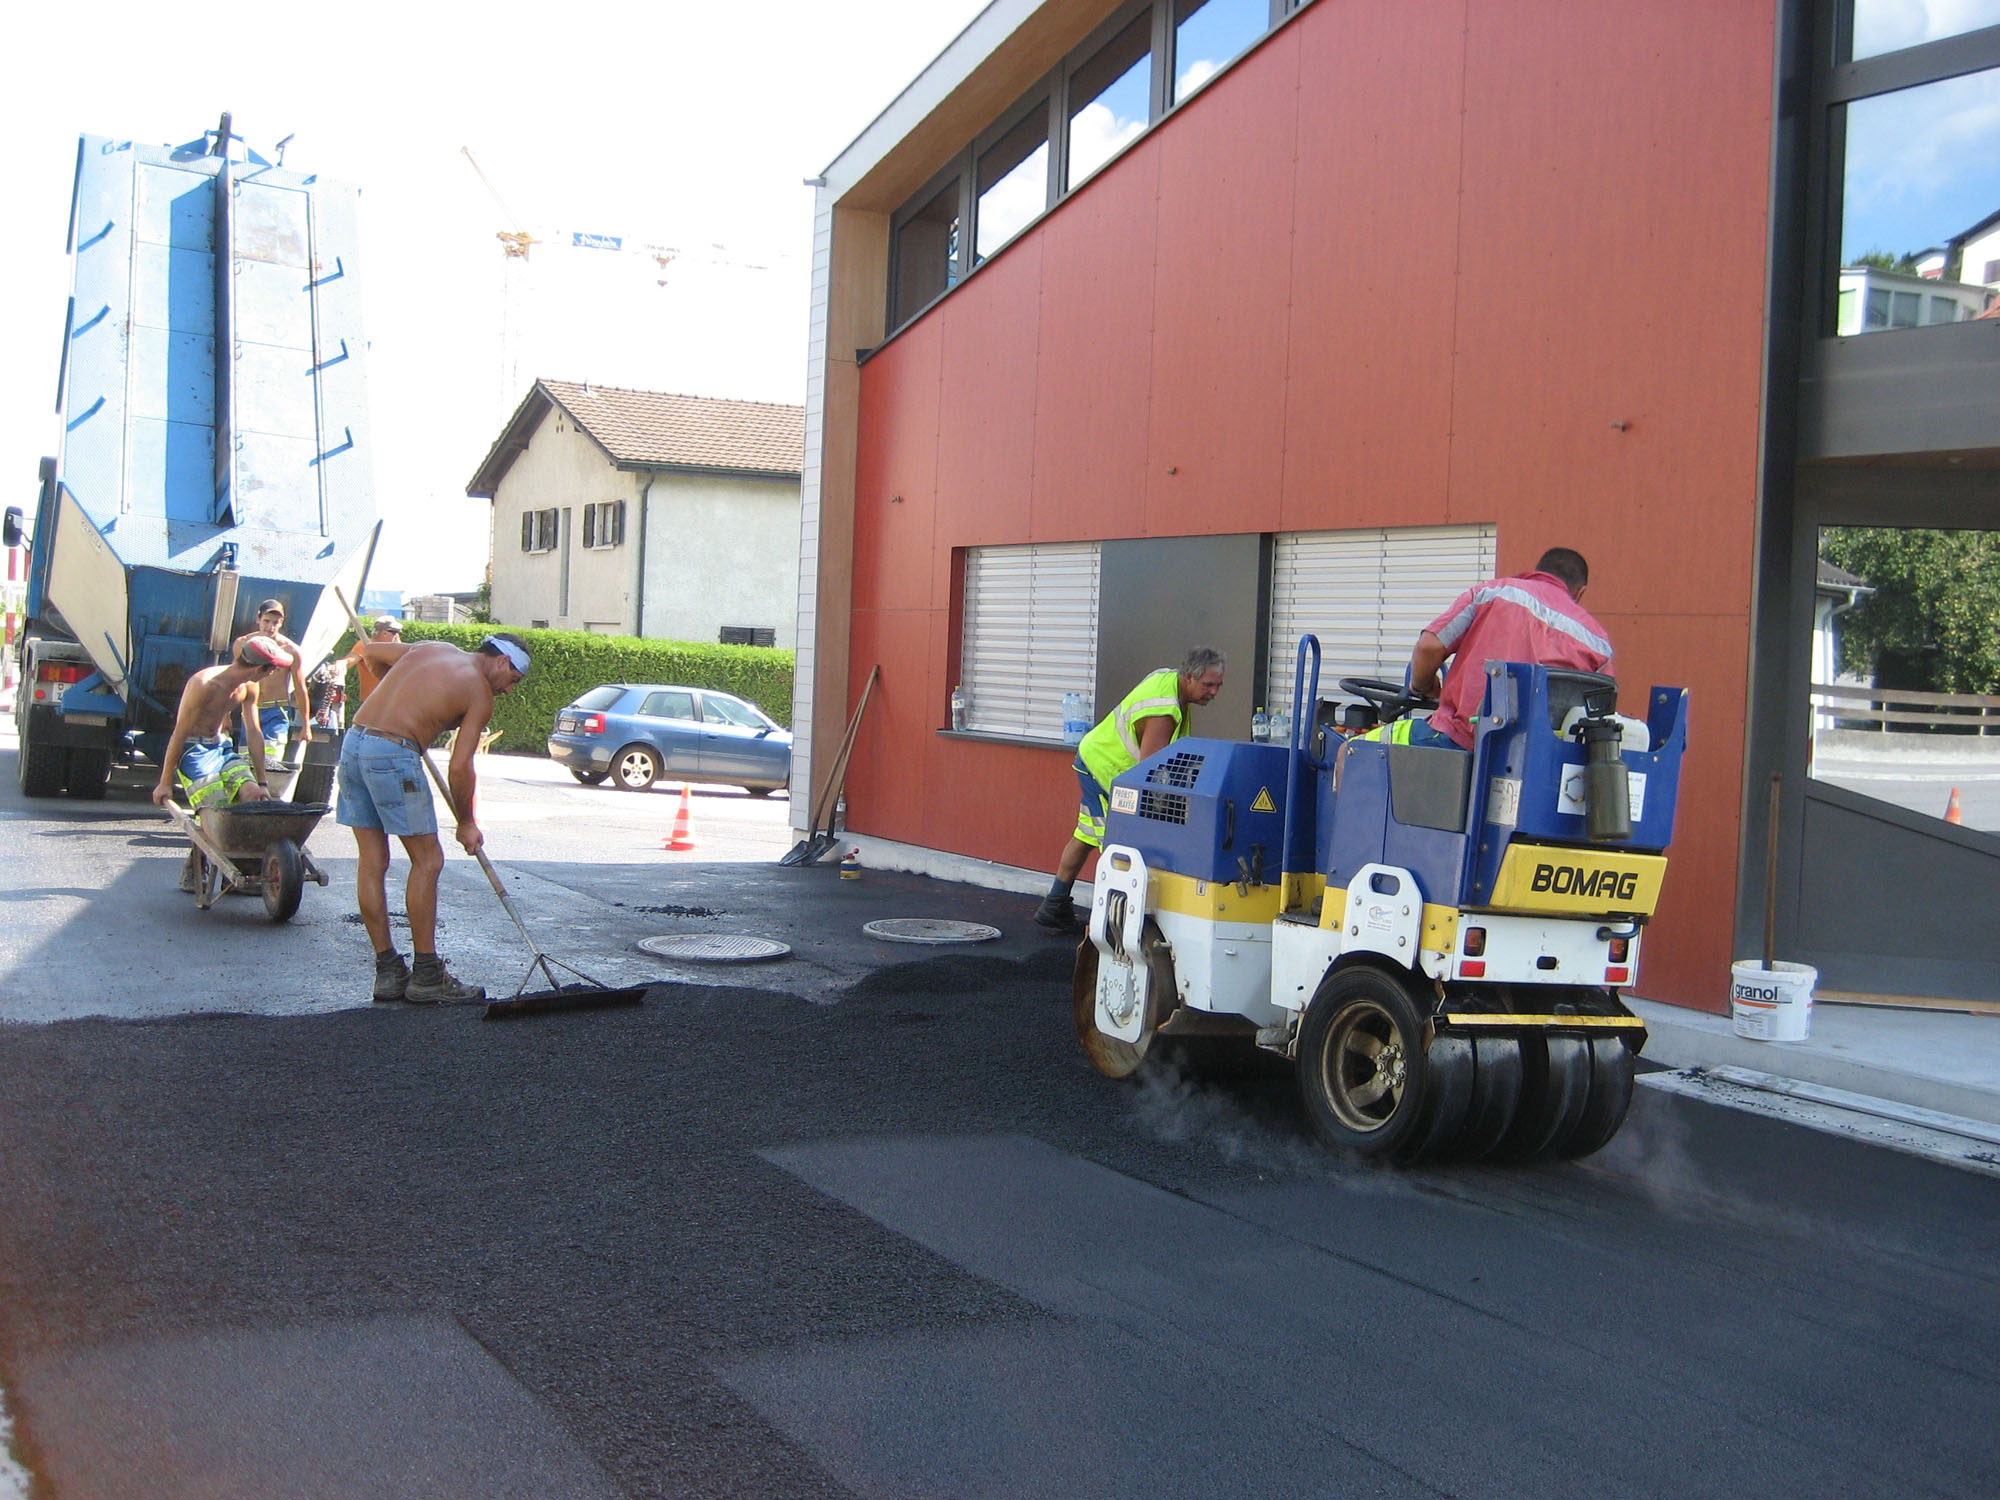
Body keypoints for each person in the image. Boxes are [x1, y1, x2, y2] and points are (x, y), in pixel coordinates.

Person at [338, 632, 530, 1004]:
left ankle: (389, 972)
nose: (508, 690)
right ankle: (426, 975)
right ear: (503, 661)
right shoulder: (479, 692)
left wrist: (396, 696)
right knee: (428, 860)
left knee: (372, 860)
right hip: (392, 753)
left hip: (355, 742)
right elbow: (461, 767)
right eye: (514, 681)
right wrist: (466, 822)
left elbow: (370, 652)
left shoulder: (434, 649)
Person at [1033, 648, 1226, 933]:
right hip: (1105, 769)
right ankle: (1111, 924)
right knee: (1119, 846)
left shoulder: (1168, 680)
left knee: (1086, 834)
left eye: (1218, 685)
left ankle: (1055, 904)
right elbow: (1150, 769)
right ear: (1188, 677)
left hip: (1096, 758)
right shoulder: (1164, 711)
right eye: (1208, 685)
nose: (1214, 692)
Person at [1395, 546, 1613, 750]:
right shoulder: (1598, 641)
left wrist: (1423, 686)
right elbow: (1599, 709)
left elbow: (1429, 647)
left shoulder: (1493, 593)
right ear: (1580, 592)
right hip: (1538, 758)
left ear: (1538, 571)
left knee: (1369, 744)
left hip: (1461, 741)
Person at [152, 637, 295, 811]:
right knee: (217, 808)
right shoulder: (204, 685)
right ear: (259, 668)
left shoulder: (249, 687)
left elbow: (253, 732)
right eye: (272, 668)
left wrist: (262, 783)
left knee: (254, 795)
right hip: (193, 750)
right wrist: (165, 782)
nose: (273, 672)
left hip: (221, 749)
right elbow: (179, 733)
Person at [229, 600, 314, 769]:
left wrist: (306, 725)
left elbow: (300, 688)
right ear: (258, 619)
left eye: (275, 622)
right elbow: (233, 680)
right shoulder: (243, 644)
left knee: (270, 763)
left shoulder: (290, 650)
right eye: (267, 621)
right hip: (250, 710)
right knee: (246, 764)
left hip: (276, 712)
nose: (270, 627)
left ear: (281, 623)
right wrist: (225, 716)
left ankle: (267, 792)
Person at [345, 615, 404, 703]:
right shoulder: (366, 645)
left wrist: (399, 648)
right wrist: (340, 665)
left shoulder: (394, 649)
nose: (397, 635)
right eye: (395, 632)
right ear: (384, 633)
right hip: (372, 701)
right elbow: (350, 660)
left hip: (392, 701)